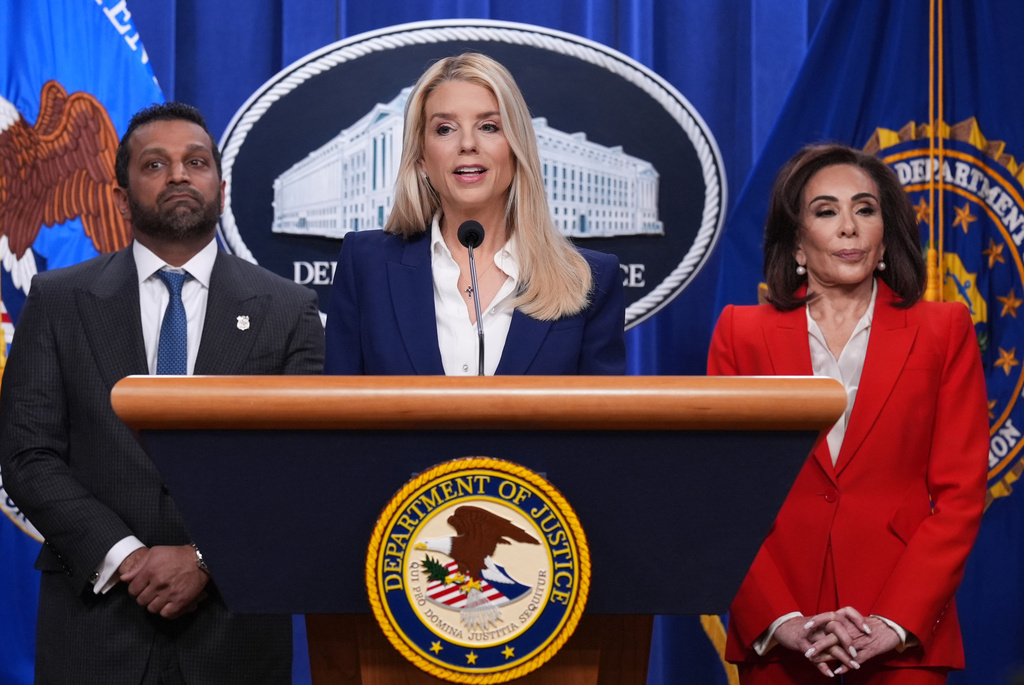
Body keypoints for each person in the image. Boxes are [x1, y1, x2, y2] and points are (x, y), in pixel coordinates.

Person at [0, 102, 325, 684]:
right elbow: (27, 454)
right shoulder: (57, 300)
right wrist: (126, 556)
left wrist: (204, 558)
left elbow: (298, 466)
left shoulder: (288, 309)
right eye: (155, 164)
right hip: (95, 625)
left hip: (234, 631)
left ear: (221, 189)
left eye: (195, 162)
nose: (178, 174)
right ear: (121, 198)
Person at [708, 143, 987, 683]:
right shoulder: (741, 333)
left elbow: (960, 494)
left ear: (884, 234)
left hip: (901, 634)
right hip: (785, 633)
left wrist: (894, 620)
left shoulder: (944, 329)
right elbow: (723, 494)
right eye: (825, 211)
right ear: (796, 240)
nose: (849, 227)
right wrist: (782, 619)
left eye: (865, 209)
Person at [324, 52, 625, 375]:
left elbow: (601, 406)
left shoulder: (588, 278)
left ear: (517, 148)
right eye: (445, 129)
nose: (467, 143)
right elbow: (338, 401)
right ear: (421, 156)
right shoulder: (365, 264)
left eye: (489, 126)